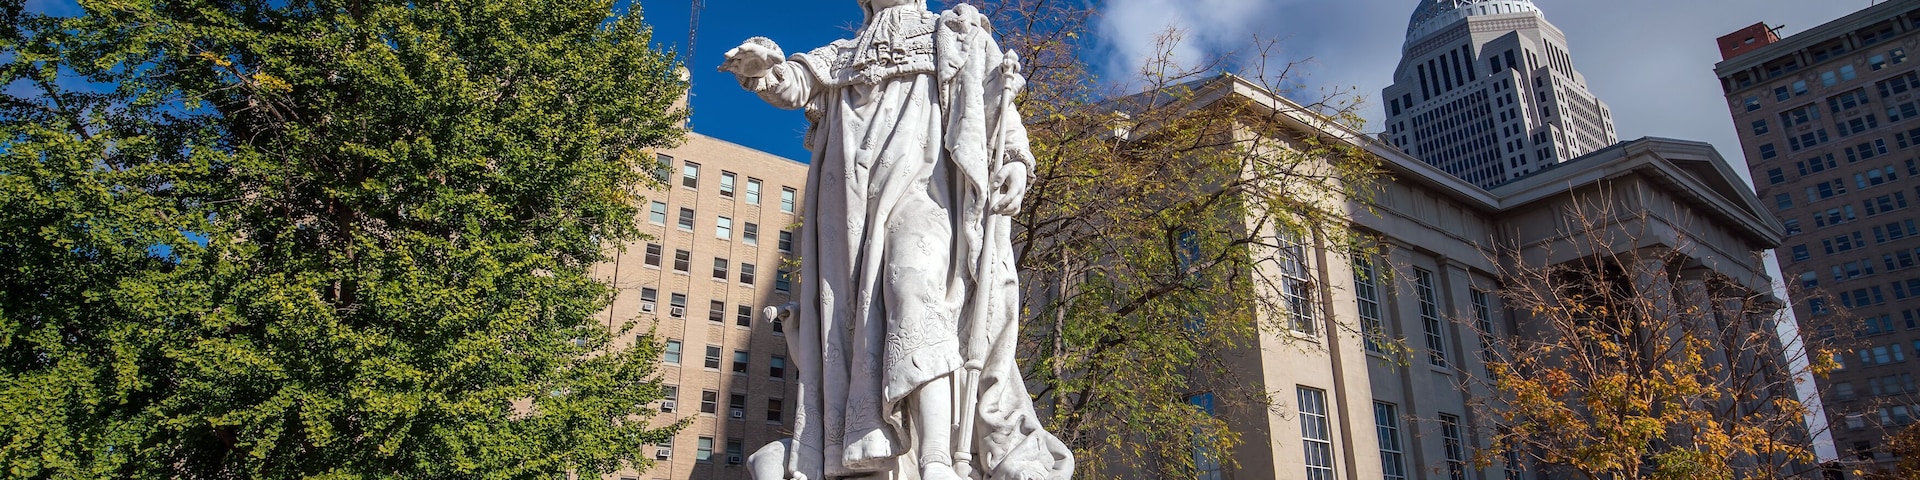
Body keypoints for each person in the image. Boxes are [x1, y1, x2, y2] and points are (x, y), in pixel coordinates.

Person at [719, 1, 1073, 479]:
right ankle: (876, 446)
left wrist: (1014, 157)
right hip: (851, 202)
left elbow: (994, 104)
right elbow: (795, 83)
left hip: (927, 189)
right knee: (857, 317)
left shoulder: (953, 33)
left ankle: (937, 459)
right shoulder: (844, 52)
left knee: (916, 295)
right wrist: (766, 69)